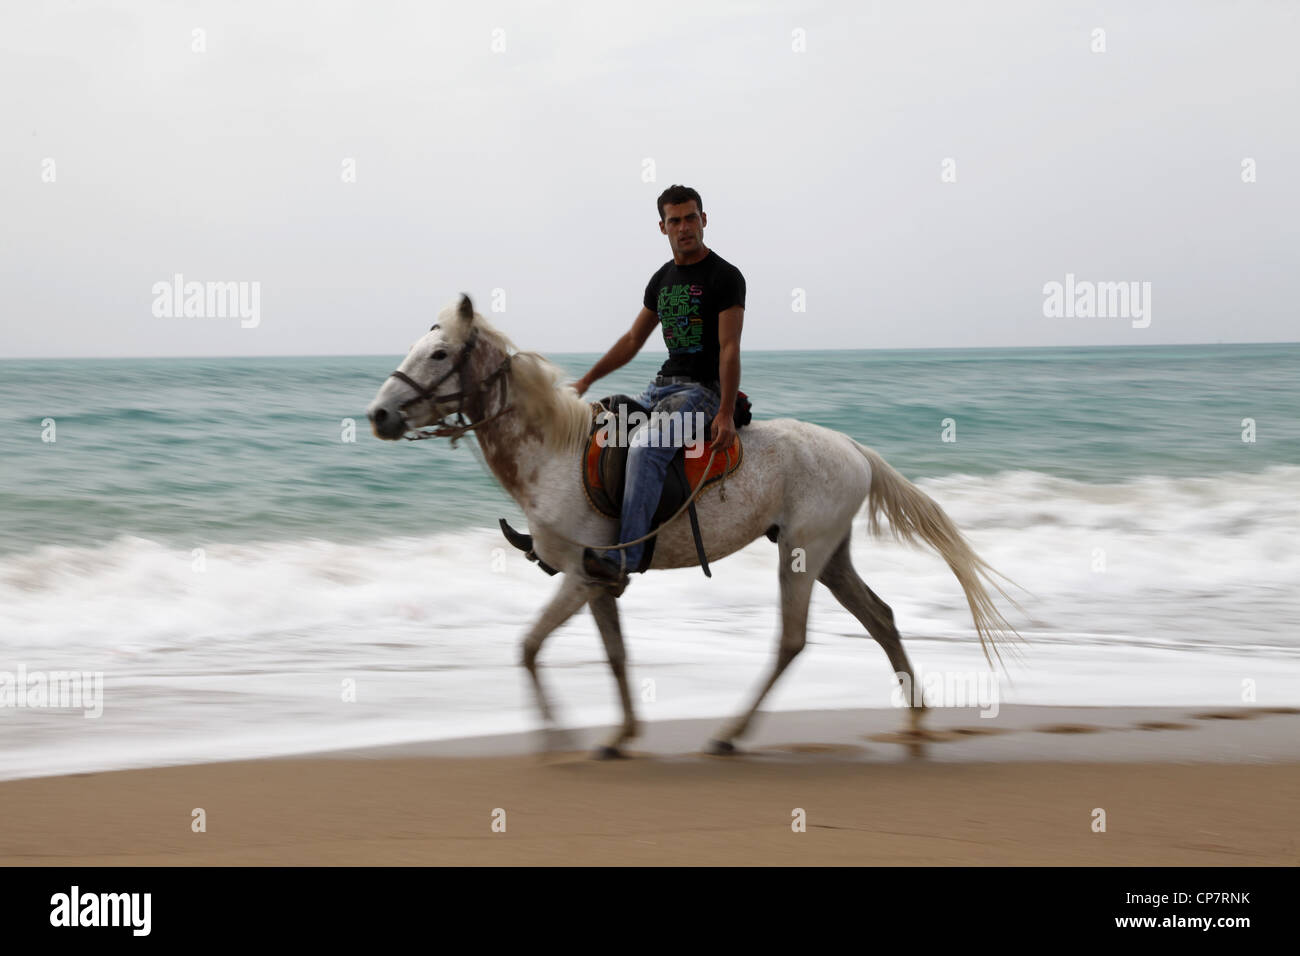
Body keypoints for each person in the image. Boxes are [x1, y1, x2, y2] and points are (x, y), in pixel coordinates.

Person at [572, 184, 746, 589]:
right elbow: (633, 341)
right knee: (595, 426)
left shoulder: (725, 276)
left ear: (703, 220)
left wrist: (723, 412)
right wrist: (585, 381)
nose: (684, 227)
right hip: (659, 389)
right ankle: (566, 535)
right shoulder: (661, 279)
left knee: (647, 447)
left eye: (690, 218)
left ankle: (625, 558)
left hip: (700, 394)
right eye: (674, 220)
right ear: (662, 227)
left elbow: (729, 347)